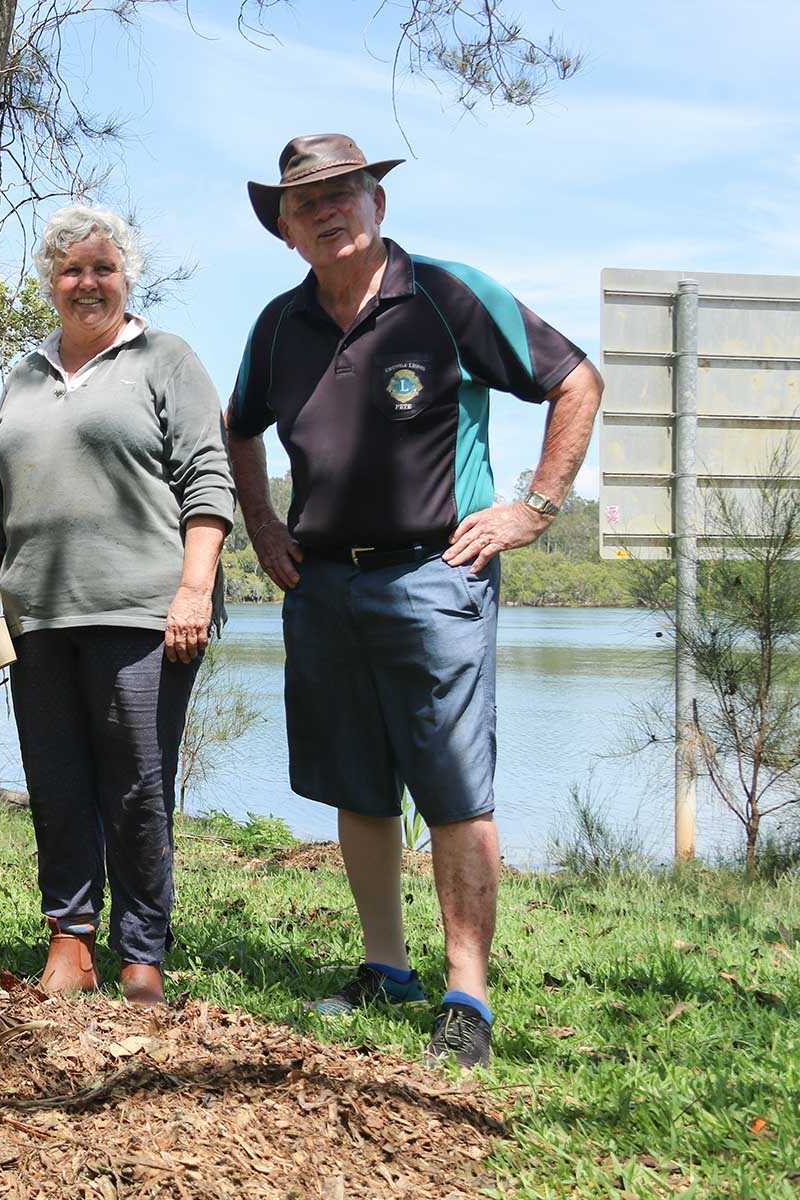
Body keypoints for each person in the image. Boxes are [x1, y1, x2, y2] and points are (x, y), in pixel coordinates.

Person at [227, 135, 603, 1066]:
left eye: (344, 190)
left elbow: (575, 380)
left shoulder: (445, 293)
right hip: (323, 583)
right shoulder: (278, 326)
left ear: (377, 203)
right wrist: (264, 528)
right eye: (305, 201)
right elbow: (239, 430)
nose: (327, 209)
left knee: (453, 788)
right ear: (284, 228)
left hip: (439, 577)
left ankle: (465, 1000)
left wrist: (537, 507)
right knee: (357, 783)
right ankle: (384, 966)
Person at [0, 203, 235, 1008]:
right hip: (38, 616)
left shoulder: (166, 360)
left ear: (126, 277)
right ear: (51, 282)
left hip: (144, 613)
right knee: (57, 780)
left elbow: (208, 480)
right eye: (73, 270)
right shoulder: (24, 374)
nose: (88, 283)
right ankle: (70, 939)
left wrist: (194, 588)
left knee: (138, 786)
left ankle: (141, 952)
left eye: (103, 268)